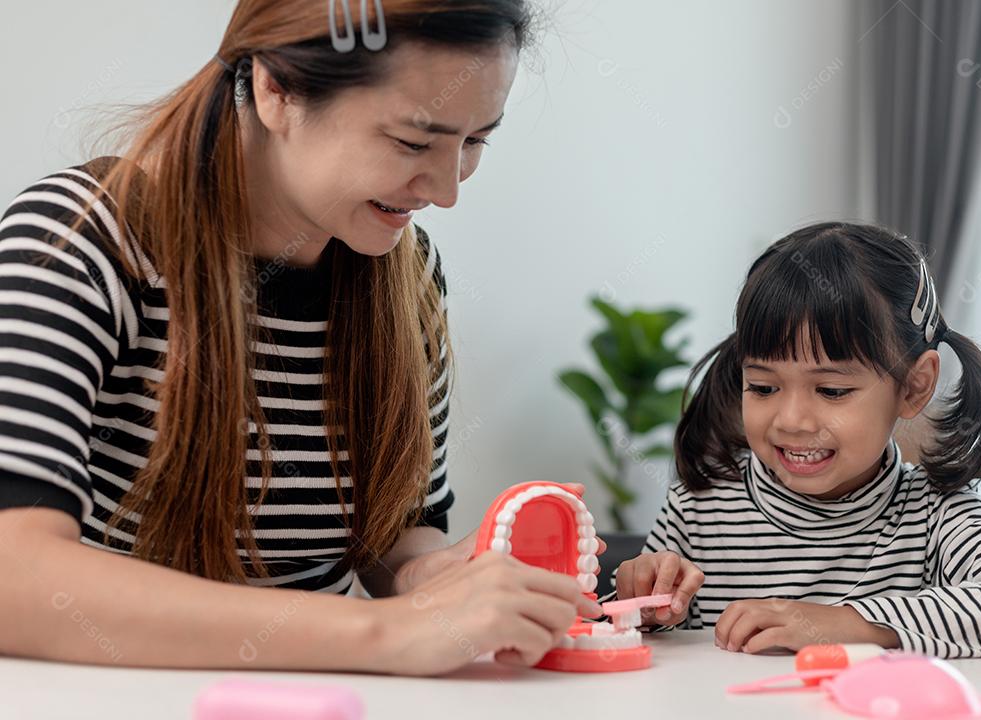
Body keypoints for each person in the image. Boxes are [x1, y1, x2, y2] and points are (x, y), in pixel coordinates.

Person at [0, 0, 602, 676]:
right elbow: (14, 578)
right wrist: (381, 634)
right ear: (274, 89)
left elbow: (395, 535)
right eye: (412, 141)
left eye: (476, 141)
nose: (446, 188)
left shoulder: (408, 273)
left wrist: (435, 577)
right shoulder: (82, 240)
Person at [614, 222, 981, 658]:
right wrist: (643, 605)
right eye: (763, 387)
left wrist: (854, 624)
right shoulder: (700, 508)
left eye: (832, 390)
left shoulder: (935, 512)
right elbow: (638, 635)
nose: (792, 420)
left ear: (914, 387)